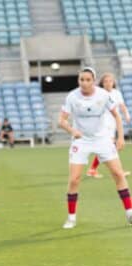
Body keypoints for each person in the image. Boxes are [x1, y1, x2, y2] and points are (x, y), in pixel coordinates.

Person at [58, 67, 132, 229]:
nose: (84, 83)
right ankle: (71, 218)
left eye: (87, 80)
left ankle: (129, 212)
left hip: (102, 139)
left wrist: (120, 137)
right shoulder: (72, 96)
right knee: (74, 179)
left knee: (118, 174)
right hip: (81, 141)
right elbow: (61, 120)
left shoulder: (103, 95)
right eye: (81, 80)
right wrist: (72, 130)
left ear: (93, 80)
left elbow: (117, 116)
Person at [87, 73, 131, 178]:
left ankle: (93, 169)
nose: (108, 83)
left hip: (114, 123)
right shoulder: (99, 93)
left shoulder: (117, 93)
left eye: (110, 81)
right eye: (105, 81)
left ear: (113, 82)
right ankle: (117, 171)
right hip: (104, 122)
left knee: (107, 147)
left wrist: (127, 115)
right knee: (109, 145)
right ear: (102, 83)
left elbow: (122, 106)